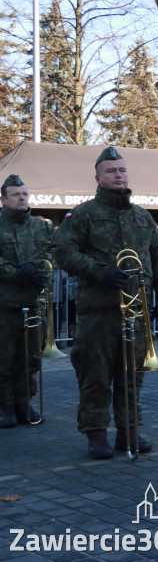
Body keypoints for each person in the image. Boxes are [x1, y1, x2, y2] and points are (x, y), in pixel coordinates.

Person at [52, 147, 158, 459]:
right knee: (95, 375)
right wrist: (100, 272)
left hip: (135, 311)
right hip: (98, 312)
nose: (118, 175)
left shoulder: (141, 216)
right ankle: (95, 434)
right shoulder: (84, 214)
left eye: (121, 170)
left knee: (132, 375)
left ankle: (129, 431)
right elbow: (63, 252)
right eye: (111, 171)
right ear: (98, 177)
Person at [0, 175, 55, 428]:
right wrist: (16, 272)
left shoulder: (41, 226)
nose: (22, 198)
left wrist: (38, 269)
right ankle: (6, 406)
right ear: (3, 199)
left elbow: (52, 253)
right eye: (16, 195)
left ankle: (24, 402)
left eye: (24, 193)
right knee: (4, 357)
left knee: (30, 357)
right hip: (4, 303)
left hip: (32, 302)